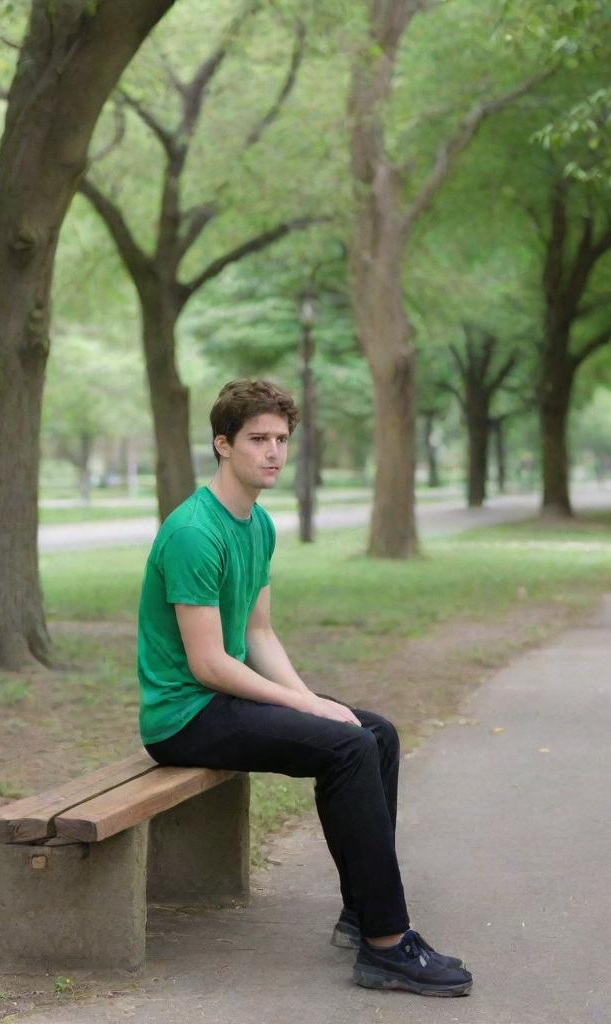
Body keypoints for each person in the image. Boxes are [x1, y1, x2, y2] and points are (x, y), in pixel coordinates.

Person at [135, 379, 472, 997]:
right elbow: (209, 663)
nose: (273, 453)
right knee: (347, 748)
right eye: (257, 439)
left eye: (281, 440)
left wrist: (318, 701)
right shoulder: (194, 531)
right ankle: (387, 944)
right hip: (184, 717)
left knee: (373, 732)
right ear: (222, 444)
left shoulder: (256, 525)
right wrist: (303, 705)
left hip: (223, 700)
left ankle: (361, 910)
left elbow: (258, 632)